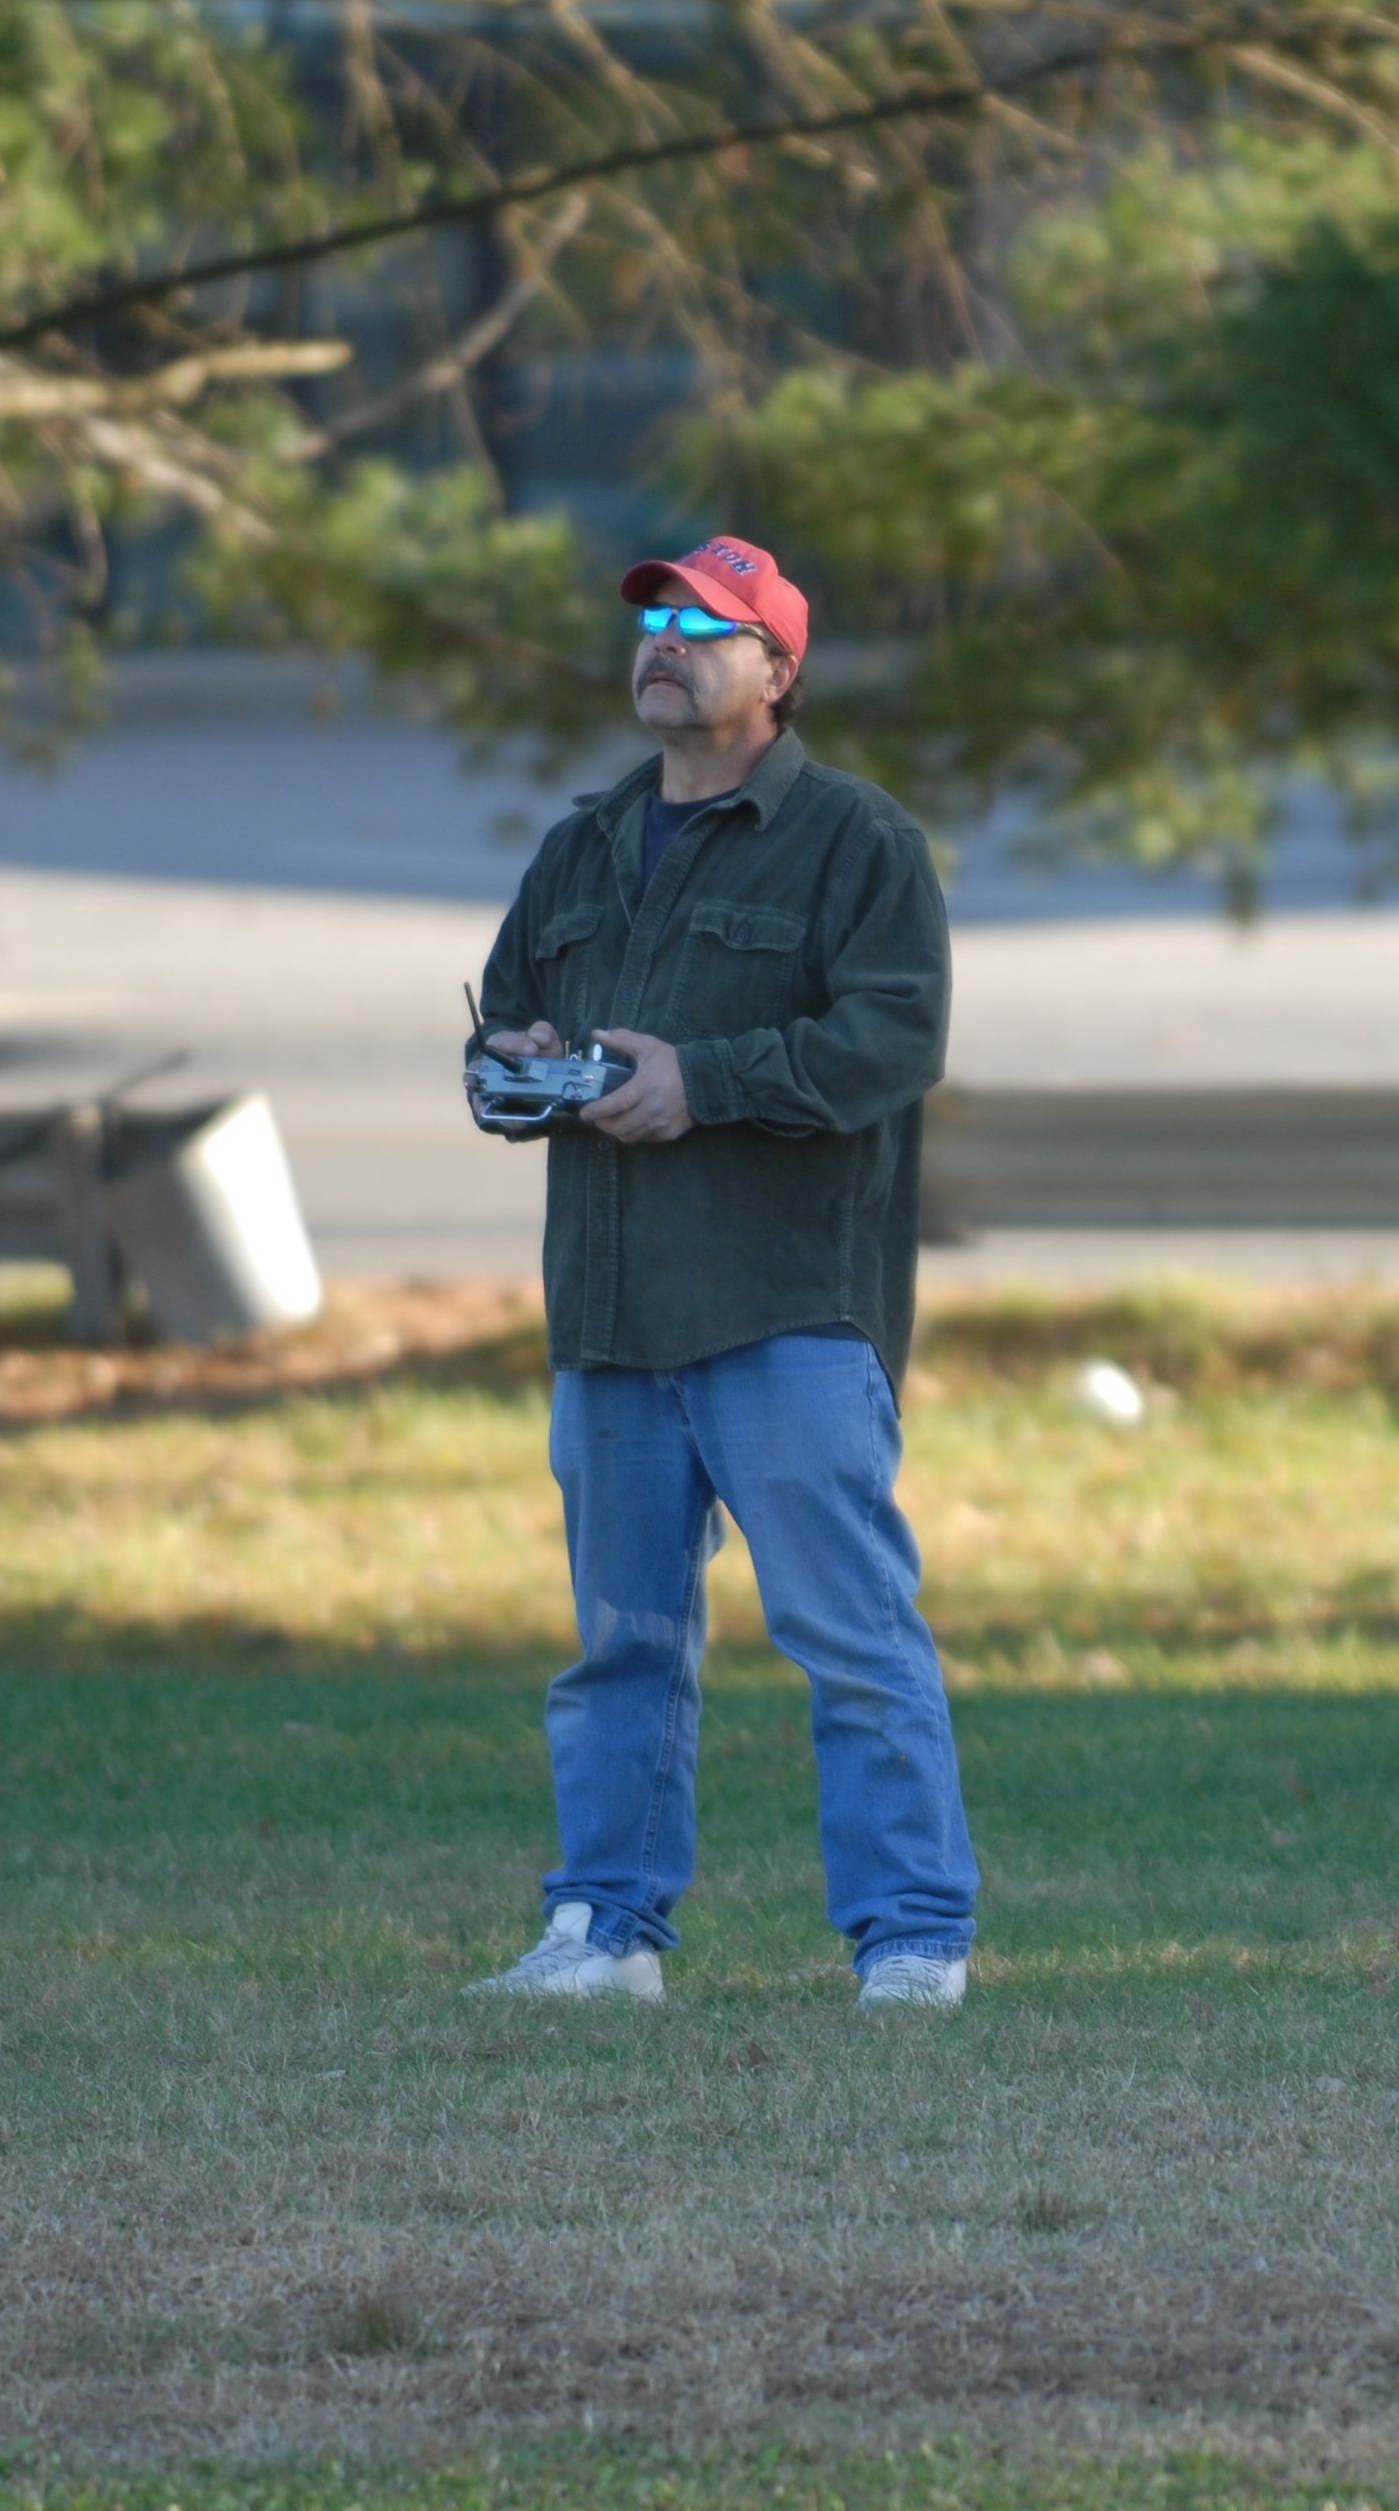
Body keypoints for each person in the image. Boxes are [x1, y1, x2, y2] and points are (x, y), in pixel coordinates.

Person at [461, 533, 980, 2010]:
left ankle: (914, 1940)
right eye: (654, 624)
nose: (666, 647)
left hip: (785, 1308)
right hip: (611, 1311)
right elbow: (510, 1023)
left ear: (780, 672)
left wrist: (706, 1081)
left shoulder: (858, 842)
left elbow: (893, 1040)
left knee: (851, 1634)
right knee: (619, 1651)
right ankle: (606, 1933)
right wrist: (513, 1065)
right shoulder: (581, 847)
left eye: (707, 628)